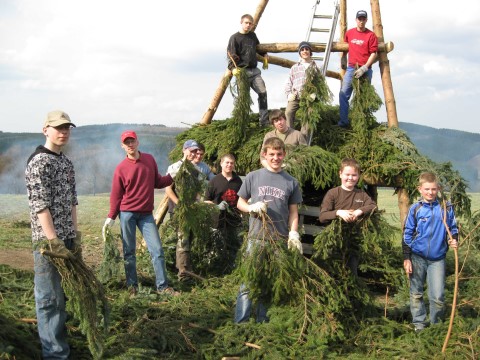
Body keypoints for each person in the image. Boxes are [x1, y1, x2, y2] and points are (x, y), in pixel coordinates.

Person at [25, 110, 80, 359]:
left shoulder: (65, 162)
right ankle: (55, 354)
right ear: (45, 129)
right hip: (48, 243)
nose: (64, 131)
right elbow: (40, 205)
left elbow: (72, 202)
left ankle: (59, 346)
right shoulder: (39, 162)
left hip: (66, 239)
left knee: (61, 297)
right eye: (58, 127)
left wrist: (74, 236)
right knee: (49, 299)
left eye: (67, 127)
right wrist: (53, 239)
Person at [234, 137, 303, 323]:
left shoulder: (291, 182)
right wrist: (251, 208)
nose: (275, 158)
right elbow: (239, 202)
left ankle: (262, 321)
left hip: (278, 240)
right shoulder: (253, 176)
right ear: (265, 155)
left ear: (284, 155)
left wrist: (293, 234)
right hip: (256, 237)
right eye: (271, 154)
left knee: (270, 281)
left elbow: (294, 212)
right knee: (248, 281)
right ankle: (241, 322)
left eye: (279, 154)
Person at [103, 130, 178, 296]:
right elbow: (116, 195)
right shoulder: (121, 168)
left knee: (157, 250)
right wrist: (111, 217)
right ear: (122, 146)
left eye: (132, 141)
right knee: (129, 251)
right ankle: (132, 287)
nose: (130, 145)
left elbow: (158, 182)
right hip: (127, 213)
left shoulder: (149, 160)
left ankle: (163, 287)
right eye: (126, 143)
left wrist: (172, 176)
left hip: (146, 215)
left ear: (137, 142)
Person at [402, 172, 458, 332]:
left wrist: (454, 239)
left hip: (437, 259)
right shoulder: (415, 209)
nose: (430, 192)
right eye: (427, 189)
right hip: (417, 257)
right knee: (416, 293)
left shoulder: (446, 208)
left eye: (433, 189)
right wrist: (407, 257)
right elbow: (407, 233)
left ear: (438, 188)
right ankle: (419, 325)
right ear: (420, 189)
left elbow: (453, 228)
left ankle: (436, 327)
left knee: (438, 296)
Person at [319, 158, 377, 275]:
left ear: (358, 176)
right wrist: (338, 212)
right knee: (332, 272)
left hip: (353, 242)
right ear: (340, 174)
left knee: (352, 272)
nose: (350, 178)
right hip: (333, 241)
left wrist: (359, 211)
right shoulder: (333, 193)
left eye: (354, 175)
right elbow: (323, 216)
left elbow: (373, 206)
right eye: (347, 174)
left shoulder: (361, 194)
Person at [165, 139, 203, 280]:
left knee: (189, 239)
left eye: (196, 151)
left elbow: (198, 191)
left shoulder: (195, 170)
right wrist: (180, 204)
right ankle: (183, 273)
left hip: (192, 210)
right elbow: (168, 189)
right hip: (178, 211)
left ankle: (186, 268)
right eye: (191, 151)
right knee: (183, 239)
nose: (194, 154)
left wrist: (198, 202)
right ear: (184, 150)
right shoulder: (175, 168)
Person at [227, 13, 269, 126]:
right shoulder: (234, 38)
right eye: (246, 23)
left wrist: (264, 55)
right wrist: (233, 68)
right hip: (242, 71)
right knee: (244, 97)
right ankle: (243, 122)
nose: (248, 25)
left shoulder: (253, 36)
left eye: (250, 24)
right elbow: (230, 54)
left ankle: (264, 121)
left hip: (254, 71)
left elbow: (258, 48)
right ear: (241, 23)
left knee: (263, 93)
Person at [338, 10, 378, 128]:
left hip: (365, 70)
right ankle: (344, 122)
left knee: (363, 96)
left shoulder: (371, 35)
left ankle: (361, 124)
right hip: (351, 68)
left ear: (366, 20)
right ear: (356, 20)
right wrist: (343, 58)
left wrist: (365, 68)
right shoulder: (350, 33)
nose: (361, 21)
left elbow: (374, 53)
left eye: (363, 19)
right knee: (343, 94)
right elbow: (344, 47)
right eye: (359, 19)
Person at [204, 154, 244, 259]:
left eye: (232, 163)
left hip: (234, 221)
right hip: (217, 221)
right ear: (221, 164)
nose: (229, 165)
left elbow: (243, 199)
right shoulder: (214, 181)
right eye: (227, 162)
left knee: (234, 248)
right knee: (217, 248)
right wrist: (217, 206)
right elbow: (205, 201)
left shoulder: (238, 181)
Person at [285, 41, 320, 137]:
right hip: (295, 96)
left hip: (309, 97)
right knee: (288, 112)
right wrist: (288, 94)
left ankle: (303, 138)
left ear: (310, 52)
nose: (305, 51)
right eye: (302, 50)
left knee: (308, 115)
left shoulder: (316, 67)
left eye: (307, 49)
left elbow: (320, 84)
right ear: (300, 52)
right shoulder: (295, 67)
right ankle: (290, 135)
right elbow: (289, 82)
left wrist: (315, 93)